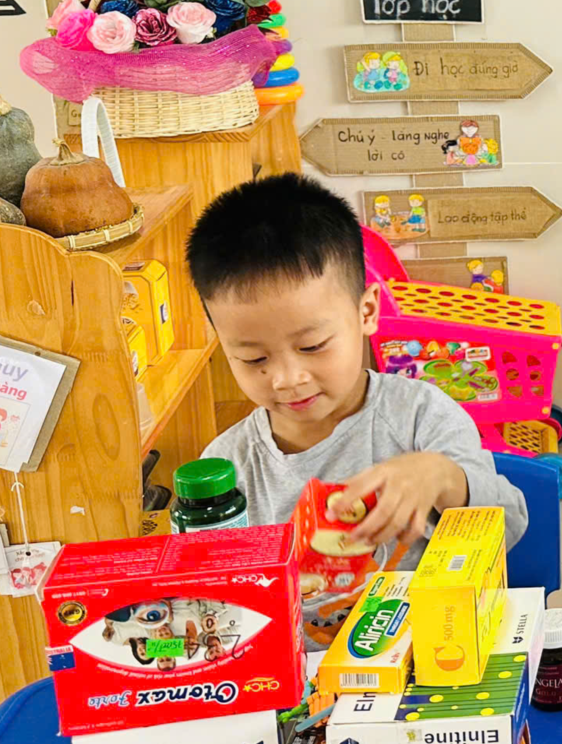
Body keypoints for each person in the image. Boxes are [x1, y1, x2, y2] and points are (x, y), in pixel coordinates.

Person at [185, 173, 527, 645]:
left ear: (366, 313)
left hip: (430, 654)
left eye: (312, 346)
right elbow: (212, 608)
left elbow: (510, 524)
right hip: (296, 675)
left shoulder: (418, 417)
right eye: (253, 359)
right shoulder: (226, 470)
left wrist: (444, 477)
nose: (286, 378)